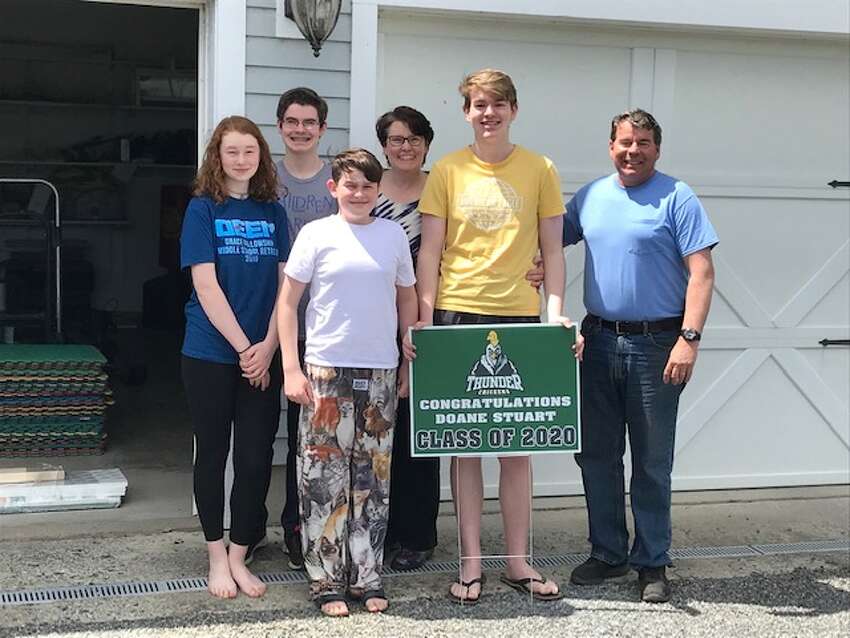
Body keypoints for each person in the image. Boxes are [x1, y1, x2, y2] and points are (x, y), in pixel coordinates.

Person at [411, 69, 568, 604]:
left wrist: (557, 314)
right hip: (457, 314)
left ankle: (519, 561)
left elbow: (554, 250)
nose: (488, 113)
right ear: (466, 112)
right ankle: (471, 563)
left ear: (513, 110)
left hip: (520, 316)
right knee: (465, 447)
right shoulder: (448, 171)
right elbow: (430, 251)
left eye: (497, 105)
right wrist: (425, 319)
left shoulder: (541, 168)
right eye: (478, 104)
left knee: (517, 449)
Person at [375, 105, 547, 572]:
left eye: (413, 138)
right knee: (382, 432)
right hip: (381, 317)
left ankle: (416, 535)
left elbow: (511, 232)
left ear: (426, 144)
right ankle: (372, 533)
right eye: (395, 139)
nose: (404, 146)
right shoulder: (367, 189)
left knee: (424, 432)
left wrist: (542, 263)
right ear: (383, 145)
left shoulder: (445, 180)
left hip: (432, 313)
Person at [564, 109, 718, 603]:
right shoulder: (590, 197)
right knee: (596, 455)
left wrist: (688, 339)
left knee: (651, 460)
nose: (633, 151)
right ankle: (608, 553)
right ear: (611, 146)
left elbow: (702, 273)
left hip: (658, 346)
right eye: (625, 142)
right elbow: (545, 242)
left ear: (657, 148)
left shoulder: (678, 196)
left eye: (644, 143)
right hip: (597, 341)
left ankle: (652, 562)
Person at [277, 149, 418, 616]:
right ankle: (325, 580)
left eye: (367, 185)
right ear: (333, 188)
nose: (359, 193)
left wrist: (405, 361)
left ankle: (367, 575)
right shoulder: (317, 235)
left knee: (372, 478)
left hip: (378, 369)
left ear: (378, 191)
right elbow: (288, 304)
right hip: (325, 370)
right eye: (350, 185)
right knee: (321, 478)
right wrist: (292, 369)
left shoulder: (393, 235)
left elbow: (407, 301)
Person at [180, 116, 289, 599]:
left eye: (250, 151)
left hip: (264, 354)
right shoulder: (202, 209)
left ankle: (241, 553)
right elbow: (205, 284)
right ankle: (215, 555)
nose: (241, 160)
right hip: (209, 352)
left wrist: (268, 347)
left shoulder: (274, 212)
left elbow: (288, 289)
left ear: (261, 156)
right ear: (217, 157)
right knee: (213, 454)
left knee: (254, 457)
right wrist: (245, 348)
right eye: (232, 152)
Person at [275, 87, 338, 570]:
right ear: (280, 127)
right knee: (270, 432)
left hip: (327, 326)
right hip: (274, 320)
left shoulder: (337, 181)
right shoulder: (263, 178)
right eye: (292, 121)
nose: (300, 129)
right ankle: (266, 526)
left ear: (321, 128)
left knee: (314, 437)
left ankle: (304, 528)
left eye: (309, 122)